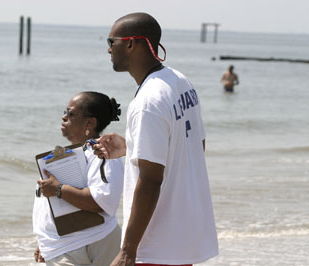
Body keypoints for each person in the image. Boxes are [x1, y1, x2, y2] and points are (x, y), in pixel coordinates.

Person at [94, 12, 218, 266]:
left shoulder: (148, 101)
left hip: (157, 244)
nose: (108, 50)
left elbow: (151, 180)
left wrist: (128, 249)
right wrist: (132, 149)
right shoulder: (180, 82)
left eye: (111, 42)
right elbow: (194, 147)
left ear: (130, 43)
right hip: (182, 236)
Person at [33, 91, 124, 266]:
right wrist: (43, 240)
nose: (63, 117)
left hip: (94, 243)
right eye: (64, 111)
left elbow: (102, 202)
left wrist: (59, 189)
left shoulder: (102, 154)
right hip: (61, 246)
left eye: (71, 114)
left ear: (89, 122)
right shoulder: (68, 155)